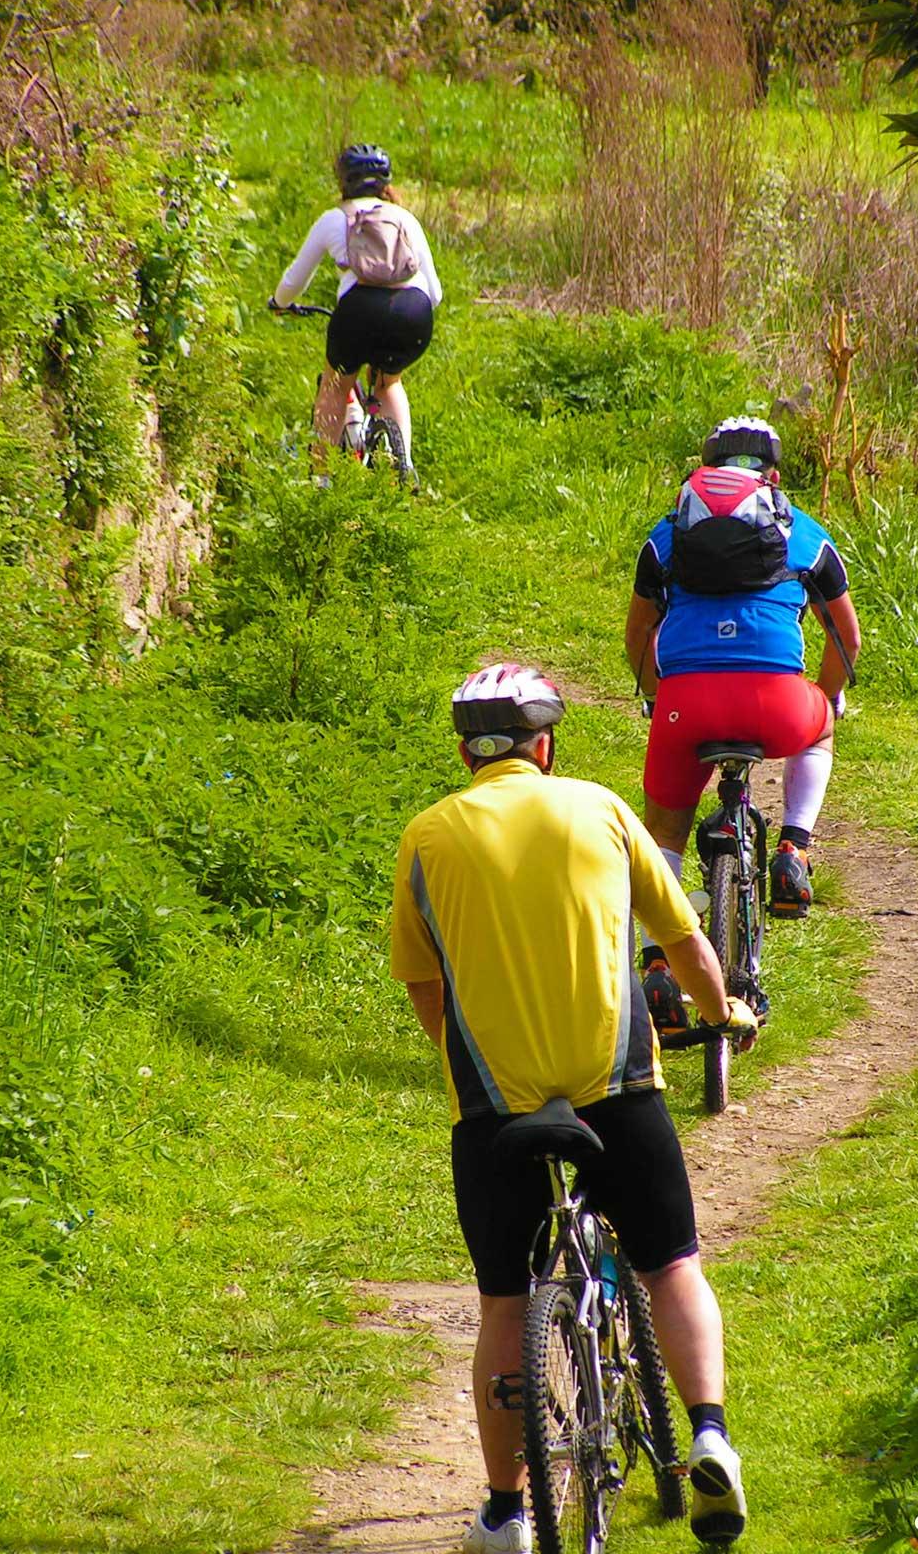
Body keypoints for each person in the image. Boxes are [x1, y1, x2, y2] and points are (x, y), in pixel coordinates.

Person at [390, 663, 756, 1551]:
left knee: (505, 1306)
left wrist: (464, 1062)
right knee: (671, 1265)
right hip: (615, 1091)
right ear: (544, 743)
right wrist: (724, 1013)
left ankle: (509, 1515)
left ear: (466, 750)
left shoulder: (429, 837)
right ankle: (708, 1434)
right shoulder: (597, 808)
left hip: (494, 1113)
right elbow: (684, 939)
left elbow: (424, 985)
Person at [623, 415, 861, 1024]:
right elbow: (847, 638)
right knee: (821, 724)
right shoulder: (802, 531)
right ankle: (794, 850)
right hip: (776, 705)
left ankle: (655, 966)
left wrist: (656, 696)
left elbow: (638, 633)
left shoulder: (668, 532)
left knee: (664, 837)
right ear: (773, 475)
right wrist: (825, 697)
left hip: (687, 707)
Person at [270, 143, 441, 476]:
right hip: (414, 311)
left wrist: (281, 303)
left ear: (343, 182)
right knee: (389, 383)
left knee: (335, 386)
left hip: (358, 313)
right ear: (385, 183)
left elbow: (294, 279)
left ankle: (321, 479)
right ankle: (403, 464)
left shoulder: (336, 218)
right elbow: (434, 292)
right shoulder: (405, 218)